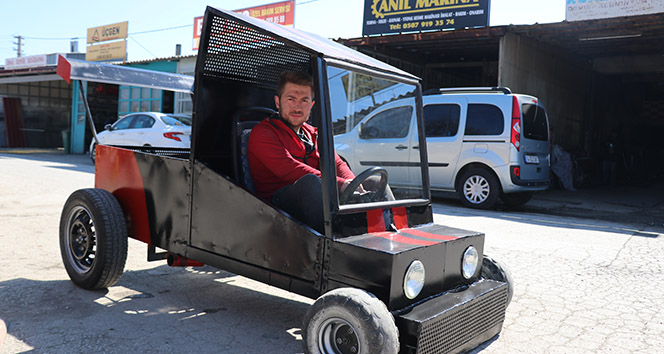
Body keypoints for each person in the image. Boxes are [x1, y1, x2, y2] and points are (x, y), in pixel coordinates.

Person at [248, 71, 356, 233]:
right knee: (311, 183)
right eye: (291, 99)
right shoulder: (263, 133)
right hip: (275, 206)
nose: (297, 107)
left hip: (319, 196)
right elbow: (290, 169)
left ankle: (387, 235)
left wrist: (353, 184)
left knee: (375, 182)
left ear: (311, 105)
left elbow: (337, 162)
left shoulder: (314, 133)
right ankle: (333, 242)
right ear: (278, 102)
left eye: (304, 100)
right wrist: (340, 185)